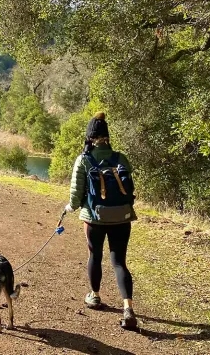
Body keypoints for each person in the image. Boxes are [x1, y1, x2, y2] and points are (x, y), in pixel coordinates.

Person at [64, 112, 138, 330]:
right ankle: (128, 309)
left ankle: (94, 296)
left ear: (89, 137)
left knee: (95, 256)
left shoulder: (84, 159)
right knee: (119, 262)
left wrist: (70, 207)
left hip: (94, 219)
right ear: (106, 136)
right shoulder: (120, 158)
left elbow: (76, 196)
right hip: (122, 218)